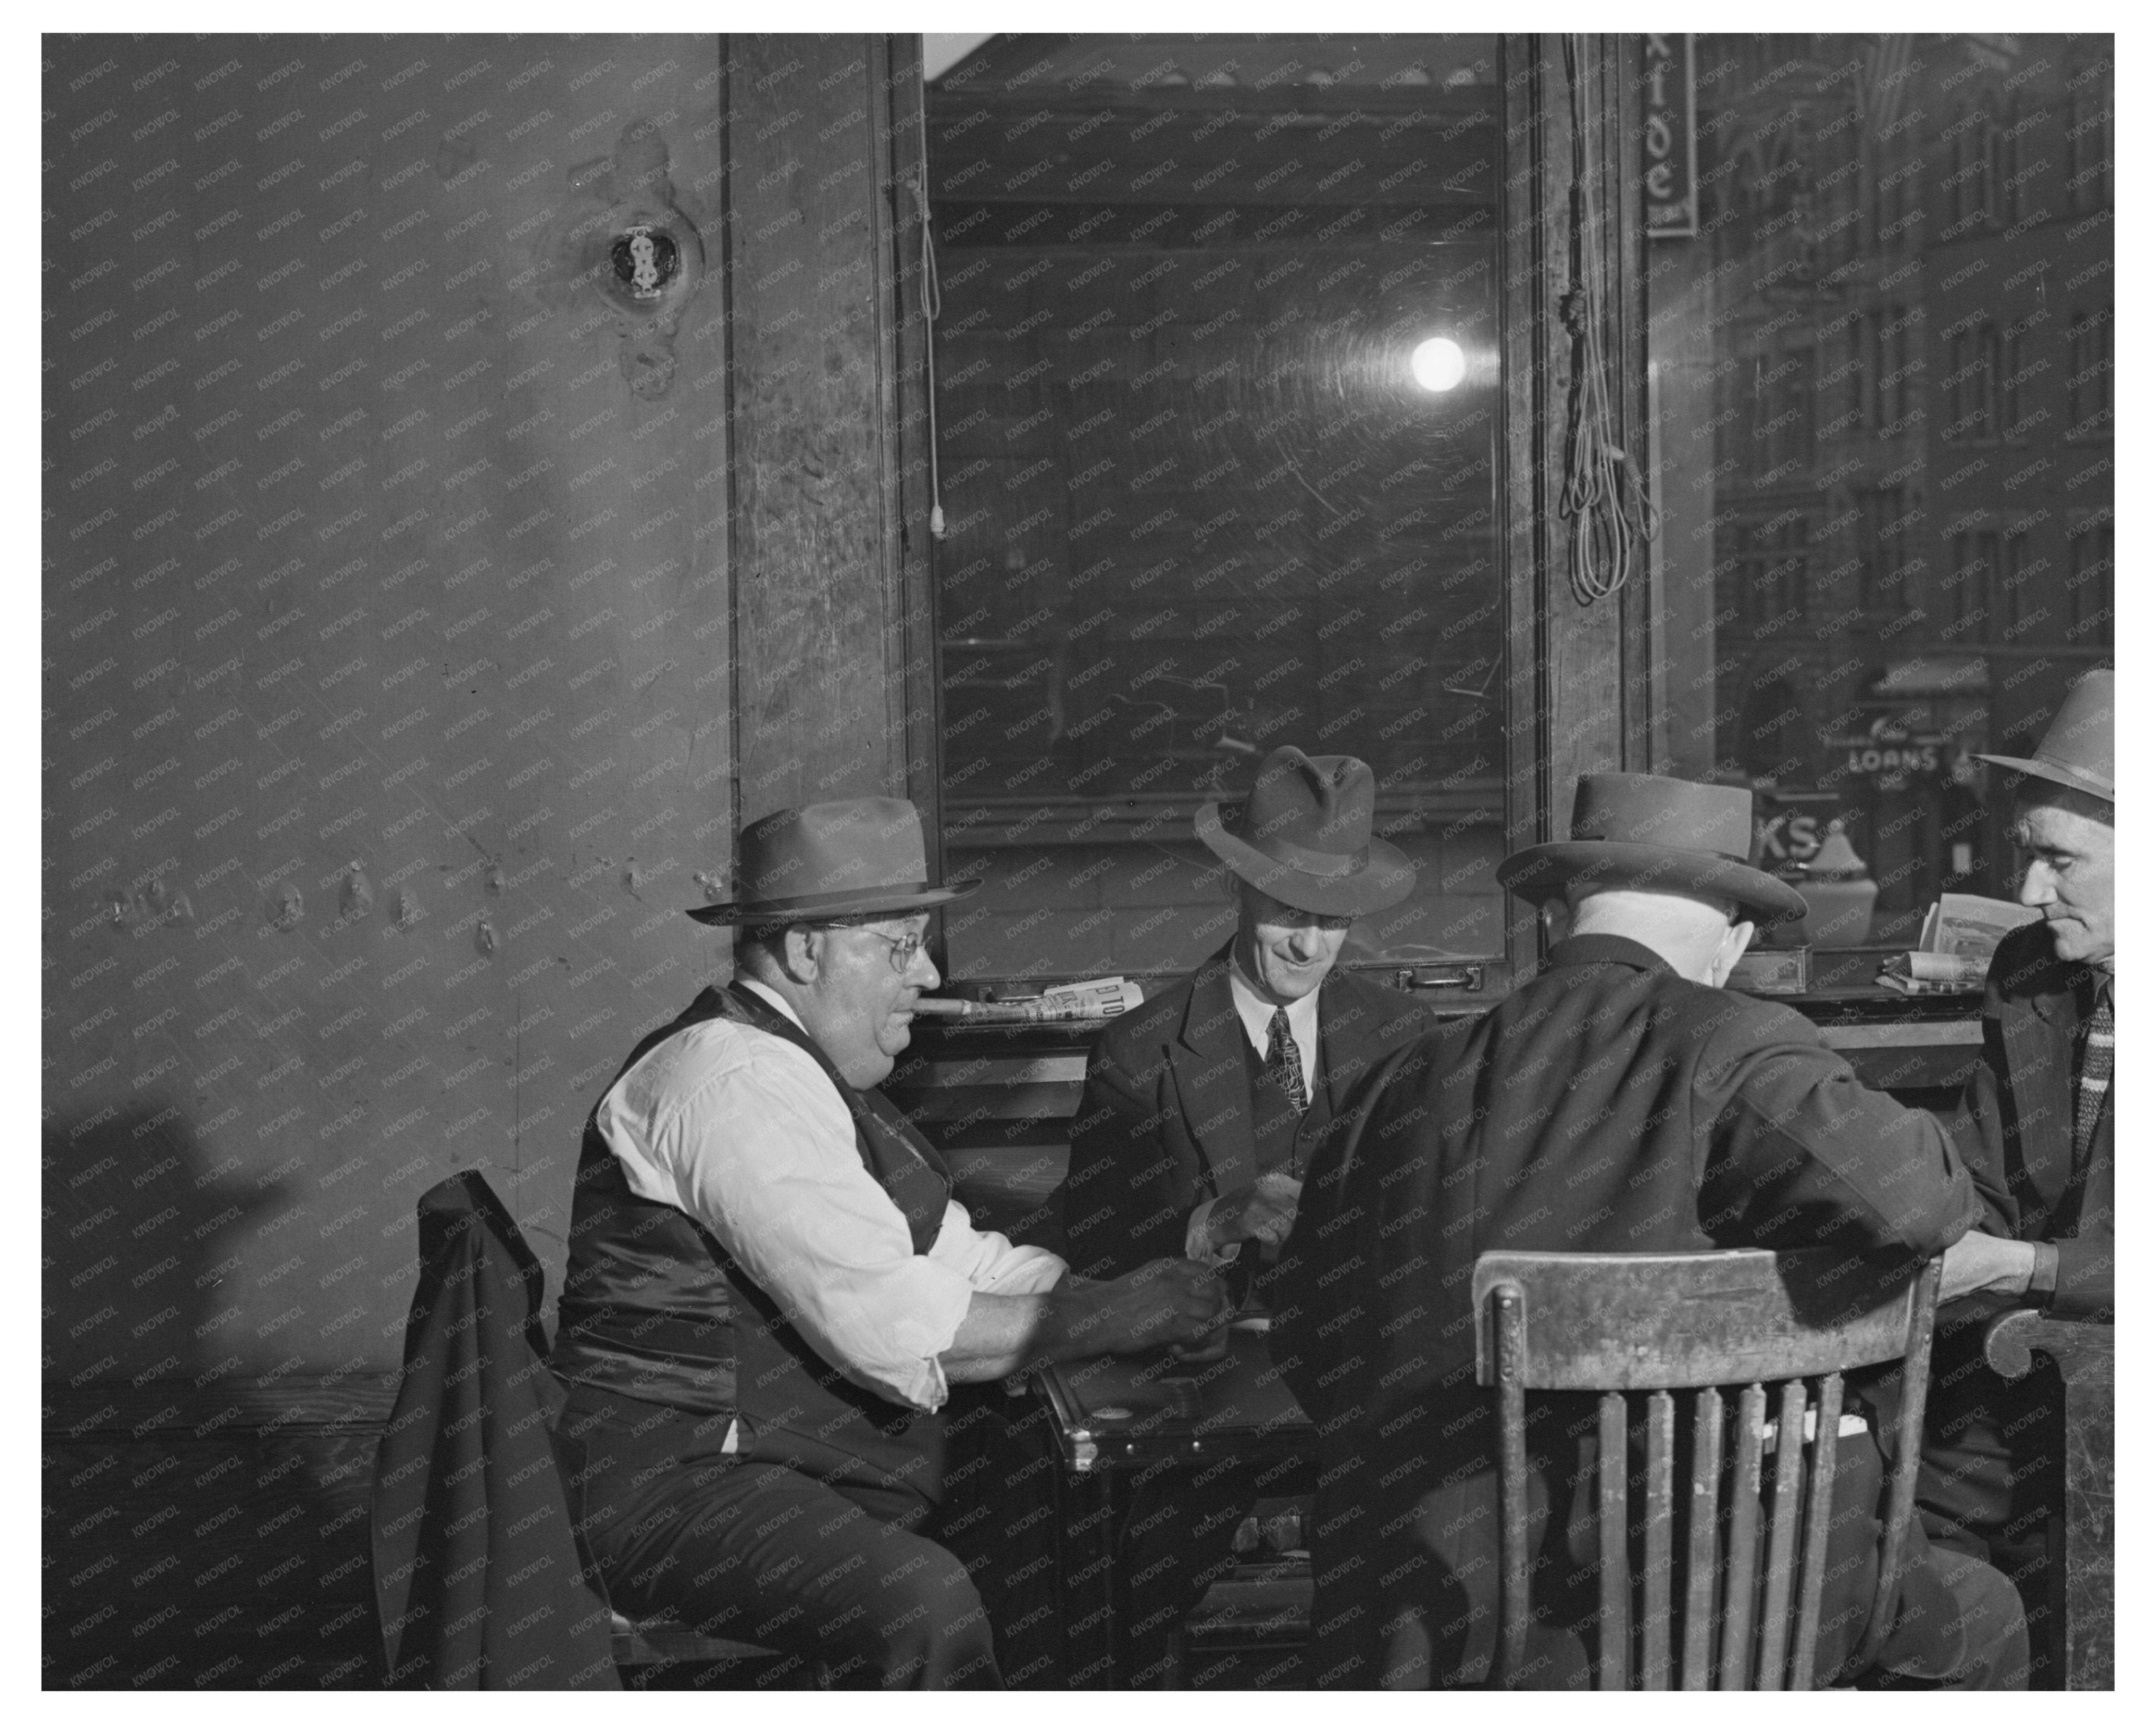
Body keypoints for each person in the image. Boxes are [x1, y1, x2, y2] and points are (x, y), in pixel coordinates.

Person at [1271, 771, 2028, 1690]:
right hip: (1695, 1620)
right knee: (1983, 1613)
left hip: (1417, 1623)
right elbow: (1924, 1205)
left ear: (1559, 915)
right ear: (1734, 941)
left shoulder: (1390, 1081)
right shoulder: (1733, 1044)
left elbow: (1307, 1346)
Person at [546, 797, 1227, 1689]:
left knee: (1049, 1505)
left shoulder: (804, 1073)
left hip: (768, 1452)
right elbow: (895, 1327)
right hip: (672, 1486)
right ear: (803, 949)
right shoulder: (732, 1080)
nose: (927, 971)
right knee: (923, 1602)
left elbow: (957, 1255)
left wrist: (1134, 1297)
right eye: (900, 946)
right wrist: (1114, 1313)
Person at [1063, 745, 1429, 1681]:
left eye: (1333, 920)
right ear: (1238, 890)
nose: (1310, 946)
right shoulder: (1139, 1051)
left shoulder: (1404, 1041)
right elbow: (1086, 1247)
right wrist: (1206, 1225)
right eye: (1289, 915)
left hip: (1360, 1396)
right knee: (1134, 1609)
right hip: (1197, 1409)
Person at [1918, 670, 2114, 1632]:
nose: (2027, 891)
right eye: (2025, 855)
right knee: (1900, 1511)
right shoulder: (2026, 966)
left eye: (2061, 862)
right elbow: (1984, 1172)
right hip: (2036, 1348)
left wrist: (2024, 1264)